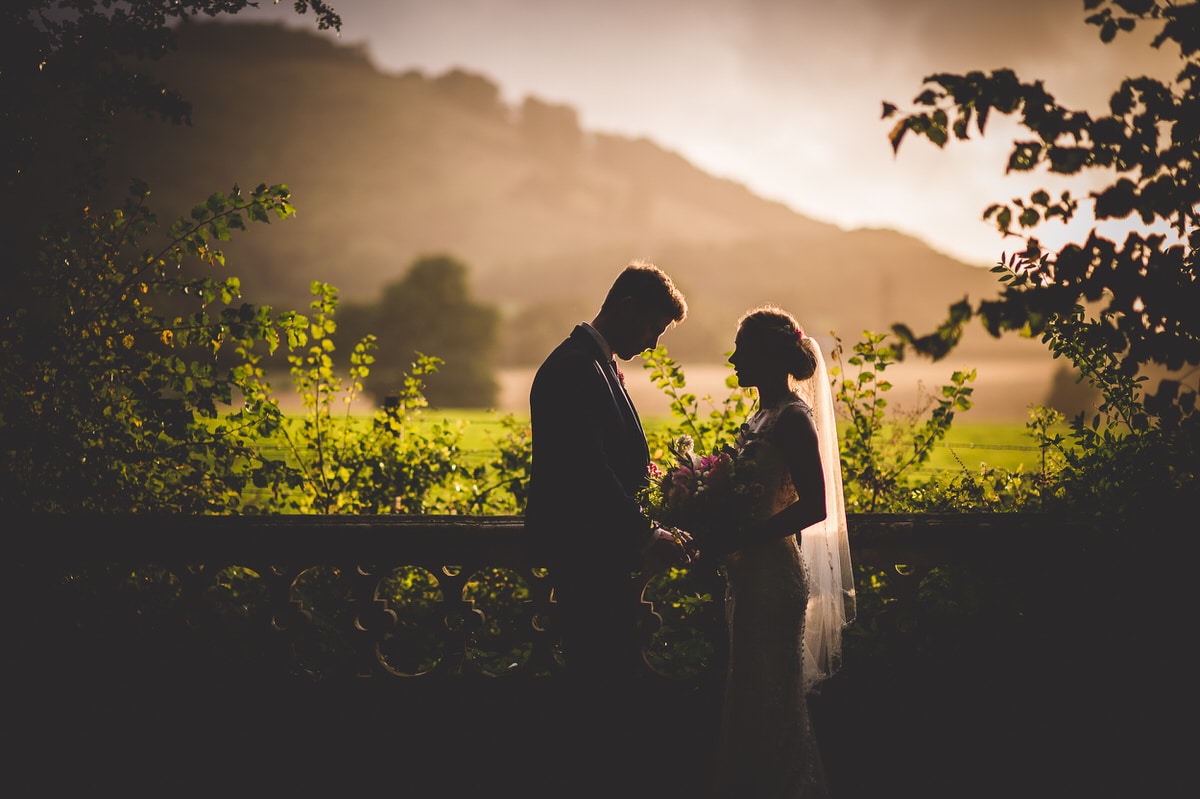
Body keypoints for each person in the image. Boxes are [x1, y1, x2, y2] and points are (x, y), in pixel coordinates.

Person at [524, 260, 694, 785]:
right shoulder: (576, 366)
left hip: (600, 557)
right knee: (597, 693)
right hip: (588, 559)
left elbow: (610, 462)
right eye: (653, 328)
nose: (654, 343)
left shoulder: (592, 363)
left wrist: (661, 487)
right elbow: (587, 474)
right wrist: (648, 533)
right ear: (626, 307)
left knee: (604, 689)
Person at [712, 304, 856, 799]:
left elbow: (816, 506)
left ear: (769, 357)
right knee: (747, 690)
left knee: (771, 694)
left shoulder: (794, 419)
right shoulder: (760, 413)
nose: (732, 359)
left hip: (774, 577)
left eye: (742, 350)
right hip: (747, 573)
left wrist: (747, 536)